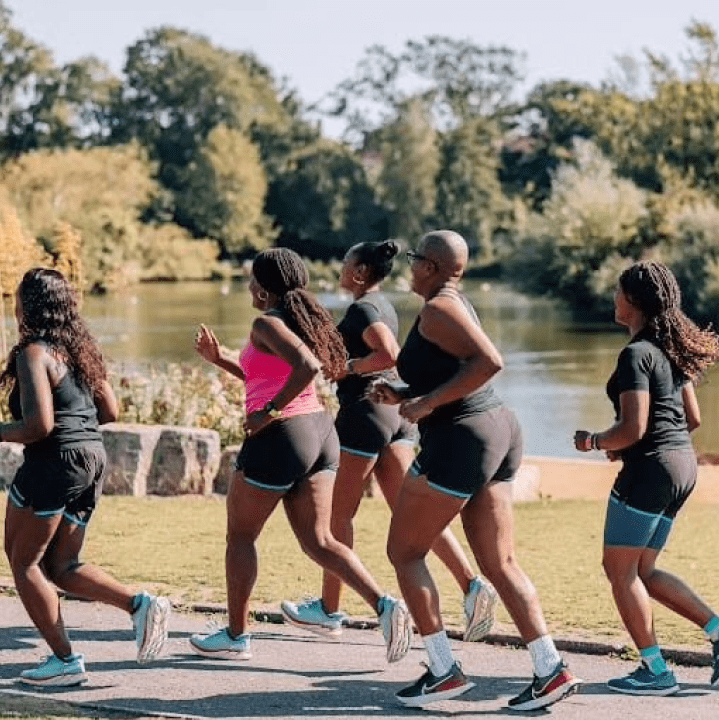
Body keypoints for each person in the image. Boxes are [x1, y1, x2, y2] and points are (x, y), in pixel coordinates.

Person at [373, 230, 579, 710]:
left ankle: (443, 671)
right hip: (496, 430)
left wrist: (427, 403)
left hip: (462, 439)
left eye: (414, 258)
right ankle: (550, 668)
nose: (408, 266)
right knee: (499, 563)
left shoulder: (438, 309)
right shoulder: (455, 303)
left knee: (404, 551)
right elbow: (458, 369)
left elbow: (490, 362)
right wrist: (405, 394)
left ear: (431, 266)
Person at [188, 247, 411, 663]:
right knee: (320, 541)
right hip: (318, 433)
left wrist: (268, 413)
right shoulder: (298, 321)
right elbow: (266, 374)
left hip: (281, 435)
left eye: (253, 280)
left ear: (264, 287)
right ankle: (386, 606)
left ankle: (236, 636)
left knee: (241, 537)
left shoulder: (267, 322)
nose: (249, 286)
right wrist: (220, 359)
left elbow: (306, 366)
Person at [281, 240, 498, 642]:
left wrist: (348, 367)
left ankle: (329, 610)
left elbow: (389, 354)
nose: (341, 269)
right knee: (408, 510)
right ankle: (472, 585)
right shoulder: (381, 304)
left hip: (364, 414)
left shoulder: (363, 308)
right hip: (391, 416)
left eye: (345, 262)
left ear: (360, 272)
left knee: (337, 517)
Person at [574, 260, 719, 696]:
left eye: (618, 292)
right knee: (642, 570)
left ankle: (655, 670)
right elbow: (692, 418)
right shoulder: (670, 349)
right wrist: (628, 444)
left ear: (633, 300)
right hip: (682, 466)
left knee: (619, 572)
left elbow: (633, 427)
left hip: (651, 471)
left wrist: (595, 441)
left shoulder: (636, 354)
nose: (613, 299)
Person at [0, 267, 171, 687]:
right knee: (60, 565)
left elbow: (39, 426)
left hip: (54, 463)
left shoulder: (33, 353)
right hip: (92, 459)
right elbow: (110, 411)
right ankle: (140, 605)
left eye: (17, 299)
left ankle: (66, 661)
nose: (14, 307)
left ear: (28, 306)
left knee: (24, 563)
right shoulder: (79, 349)